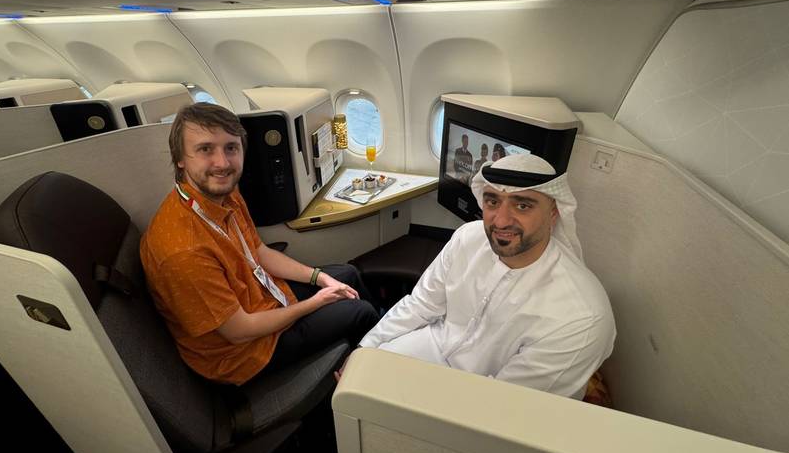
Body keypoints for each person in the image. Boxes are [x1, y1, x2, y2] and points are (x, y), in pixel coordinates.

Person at [140, 103, 378, 385]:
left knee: (346, 274)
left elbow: (258, 252)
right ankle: (370, 382)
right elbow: (239, 331)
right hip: (241, 353)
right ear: (180, 158)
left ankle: (380, 340)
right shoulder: (184, 251)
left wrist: (320, 278)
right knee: (359, 312)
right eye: (205, 149)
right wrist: (315, 302)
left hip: (259, 297)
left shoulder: (225, 195)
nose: (222, 163)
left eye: (231, 148)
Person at [355, 154, 615, 399]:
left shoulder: (580, 316)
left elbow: (503, 404)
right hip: (435, 343)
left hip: (486, 393)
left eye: (522, 205)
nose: (500, 221)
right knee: (359, 380)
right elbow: (421, 304)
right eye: (492, 202)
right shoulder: (468, 237)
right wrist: (364, 349)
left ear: (553, 212)